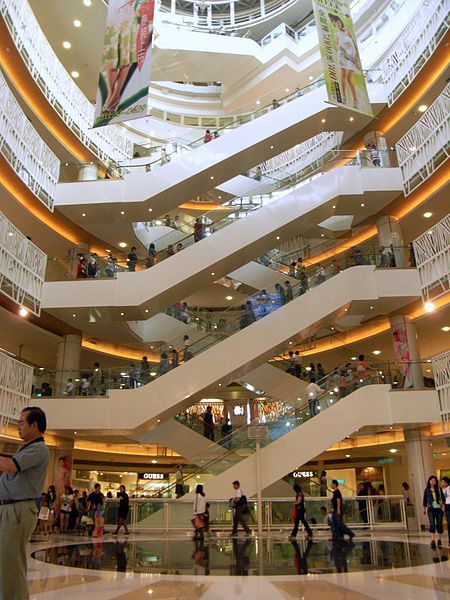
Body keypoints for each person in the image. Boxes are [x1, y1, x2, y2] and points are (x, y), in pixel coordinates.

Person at [0, 407, 49, 600]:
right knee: (5, 564)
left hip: (17, 511)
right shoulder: (28, 448)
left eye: (21, 423)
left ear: (34, 425)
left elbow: (11, 466)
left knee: (10, 566)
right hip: (10, 509)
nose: (18, 427)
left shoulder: (39, 449)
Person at [328, 13, 361, 109]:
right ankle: (344, 97)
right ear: (334, 24)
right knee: (342, 76)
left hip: (351, 57)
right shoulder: (337, 35)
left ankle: (355, 100)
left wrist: (357, 57)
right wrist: (340, 47)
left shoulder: (347, 32)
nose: (337, 24)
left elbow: (354, 44)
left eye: (338, 21)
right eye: (335, 23)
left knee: (348, 78)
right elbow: (338, 47)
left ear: (340, 21)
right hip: (342, 57)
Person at [423, 475, 445, 548]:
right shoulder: (427, 490)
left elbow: (443, 499)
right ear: (429, 481)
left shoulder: (439, 489)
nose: (433, 481)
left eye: (434, 480)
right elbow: (425, 500)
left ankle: (439, 539)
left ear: (436, 482)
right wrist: (424, 508)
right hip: (431, 508)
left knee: (439, 524)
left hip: (439, 509)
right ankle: (432, 540)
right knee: (432, 523)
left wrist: (443, 507)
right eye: (431, 480)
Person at [440, 477, 450, 544]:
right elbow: (443, 499)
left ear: (446, 483)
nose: (441, 483)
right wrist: (443, 506)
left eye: (442, 482)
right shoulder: (441, 490)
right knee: (449, 523)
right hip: (447, 506)